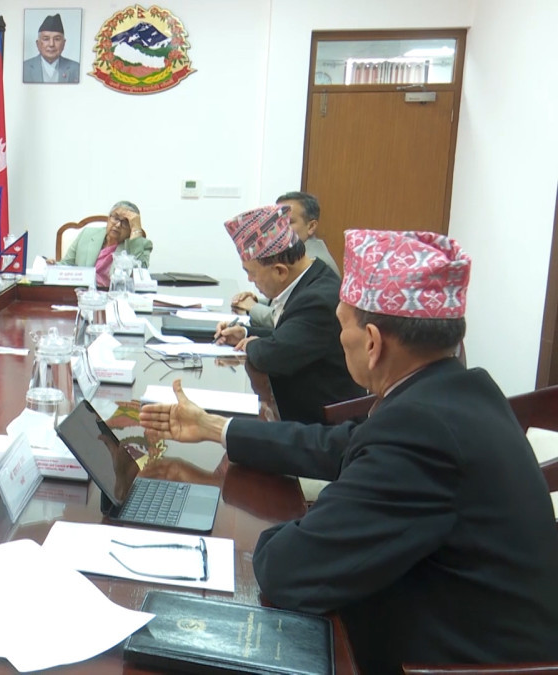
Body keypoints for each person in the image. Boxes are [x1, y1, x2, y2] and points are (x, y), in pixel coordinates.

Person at [139, 229, 558, 673]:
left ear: (373, 342)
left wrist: (288, 525)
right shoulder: (461, 390)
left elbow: (286, 570)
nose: (339, 339)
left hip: (451, 661)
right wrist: (215, 428)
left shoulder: (420, 435)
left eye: (342, 326)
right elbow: (338, 445)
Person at [213, 205, 363, 423]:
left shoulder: (318, 299)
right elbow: (291, 335)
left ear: (280, 271)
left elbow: (273, 356)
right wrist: (245, 333)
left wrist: (251, 345)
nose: (250, 280)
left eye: (251, 273)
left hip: (321, 426)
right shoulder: (312, 277)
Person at [233, 191, 339, 327]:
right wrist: (256, 302)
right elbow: (287, 304)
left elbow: (290, 316)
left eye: (287, 222)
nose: (279, 229)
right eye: (275, 223)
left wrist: (252, 307)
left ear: (311, 226)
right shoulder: (295, 255)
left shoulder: (313, 262)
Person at [52, 201, 152, 289]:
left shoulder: (141, 245)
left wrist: (136, 229)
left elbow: (140, 277)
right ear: (109, 218)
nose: (118, 225)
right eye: (116, 218)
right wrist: (51, 266)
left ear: (131, 228)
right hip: (83, 295)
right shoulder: (87, 234)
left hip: (116, 297)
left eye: (125, 222)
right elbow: (66, 265)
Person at [23, 13, 79, 83]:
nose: (51, 44)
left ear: (64, 43)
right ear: (38, 44)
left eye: (57, 39)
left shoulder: (77, 68)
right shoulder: (24, 68)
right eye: (46, 39)